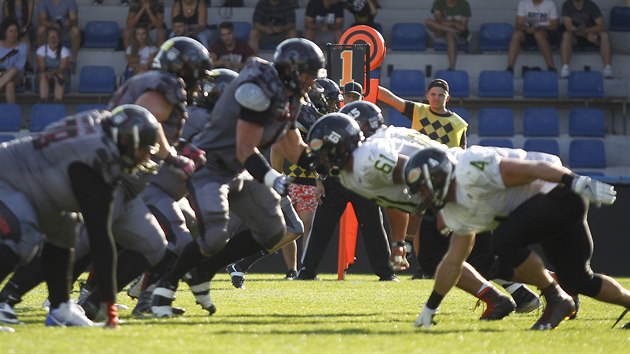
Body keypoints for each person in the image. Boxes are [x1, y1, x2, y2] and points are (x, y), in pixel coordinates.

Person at [150, 38, 326, 317]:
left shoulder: (288, 95)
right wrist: (273, 179)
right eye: (308, 74)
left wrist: (329, 163)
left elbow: (296, 148)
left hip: (239, 169)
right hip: (211, 164)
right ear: (293, 70)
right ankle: (163, 289)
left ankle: (203, 271)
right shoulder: (257, 89)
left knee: (273, 230)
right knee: (215, 235)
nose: (312, 82)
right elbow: (245, 148)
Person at [305, 107, 519, 320]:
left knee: (439, 257)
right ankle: (527, 291)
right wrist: (402, 242)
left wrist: (403, 240)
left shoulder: (371, 154)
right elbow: (401, 194)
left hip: (448, 184)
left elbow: (410, 183)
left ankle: (512, 296)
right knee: (481, 255)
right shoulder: (388, 137)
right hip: (449, 179)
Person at [405, 145, 630, 330]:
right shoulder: (454, 211)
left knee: (503, 241)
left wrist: (575, 181)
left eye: (423, 189)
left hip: (561, 192)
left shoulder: (470, 169)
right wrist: (430, 309)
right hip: (548, 207)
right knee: (578, 280)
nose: (423, 197)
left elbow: (534, 169)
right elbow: (453, 261)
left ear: (438, 176)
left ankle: (557, 298)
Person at [76, 37, 212, 321]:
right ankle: (114, 298)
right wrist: (173, 157)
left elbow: (152, 125)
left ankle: (95, 298)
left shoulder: (151, 80)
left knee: (140, 239)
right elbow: (147, 120)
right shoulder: (166, 87)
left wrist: (176, 152)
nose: (200, 83)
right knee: (169, 240)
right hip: (122, 173)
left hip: (115, 169)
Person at [377, 79, 540, 312]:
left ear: (447, 98)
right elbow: (391, 99)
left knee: (455, 255)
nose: (435, 98)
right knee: (475, 257)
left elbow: (462, 155)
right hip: (434, 187)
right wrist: (367, 85)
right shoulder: (419, 111)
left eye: (439, 94)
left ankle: (543, 287)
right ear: (427, 95)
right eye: (432, 94)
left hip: (446, 188)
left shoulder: (458, 124)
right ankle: (538, 288)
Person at [0, 104, 160, 328]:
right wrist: (110, 304)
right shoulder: (99, 158)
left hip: (38, 183)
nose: (145, 157)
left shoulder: (101, 128)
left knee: (67, 231)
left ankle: (60, 308)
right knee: (24, 235)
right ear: (125, 140)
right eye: (143, 149)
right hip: (9, 176)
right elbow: (100, 239)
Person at [296, 102, 398, 283]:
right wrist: (320, 179)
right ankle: (306, 271)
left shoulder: (371, 139)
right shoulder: (338, 129)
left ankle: (386, 272)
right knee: (321, 227)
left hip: (362, 181)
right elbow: (322, 155)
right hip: (337, 180)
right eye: (367, 125)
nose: (370, 129)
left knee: (373, 226)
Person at [559, 0, 613, 79]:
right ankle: (565, 68)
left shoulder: (591, 5)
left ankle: (607, 68)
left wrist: (590, 32)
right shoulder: (567, 5)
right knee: (566, 35)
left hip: (591, 33)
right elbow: (568, 27)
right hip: (576, 35)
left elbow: (600, 25)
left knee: (604, 35)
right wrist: (585, 34)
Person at [507, 0, 559, 74]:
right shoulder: (523, 3)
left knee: (539, 34)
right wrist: (526, 28)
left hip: (545, 31)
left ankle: (551, 67)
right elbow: (517, 25)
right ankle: (510, 68)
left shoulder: (550, 3)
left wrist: (539, 27)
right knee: (516, 34)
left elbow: (555, 26)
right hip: (528, 31)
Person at [425, 0, 471, 71]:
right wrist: (454, 24)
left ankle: (451, 68)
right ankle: (451, 30)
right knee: (428, 21)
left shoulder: (464, 4)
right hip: (444, 31)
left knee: (450, 34)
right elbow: (438, 20)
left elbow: (463, 27)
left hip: (457, 34)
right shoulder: (438, 2)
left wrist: (445, 24)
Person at [36, 0, 80, 72]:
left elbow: (74, 19)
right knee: (41, 30)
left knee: (76, 31)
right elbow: (42, 19)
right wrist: (52, 24)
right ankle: (42, 60)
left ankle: (73, 61)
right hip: (51, 30)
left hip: (65, 30)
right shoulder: (43, 1)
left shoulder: (70, 1)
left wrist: (69, 23)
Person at [36, 26, 70, 102]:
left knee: (60, 76)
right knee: (43, 74)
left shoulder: (64, 51)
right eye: (51, 37)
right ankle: (43, 99)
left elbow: (63, 68)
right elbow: (41, 67)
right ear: (47, 39)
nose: (53, 39)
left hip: (59, 74)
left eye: (55, 37)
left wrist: (55, 72)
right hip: (45, 74)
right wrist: (48, 72)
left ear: (59, 39)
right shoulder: (41, 50)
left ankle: (58, 100)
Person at [0, 19, 27, 103]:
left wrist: (5, 73)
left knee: (14, 70)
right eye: (11, 31)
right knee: (10, 84)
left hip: (17, 76)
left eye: (16, 31)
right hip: (1, 74)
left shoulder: (22, 47)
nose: (13, 34)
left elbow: (19, 67)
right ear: (5, 32)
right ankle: (12, 112)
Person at [2, 0, 34, 71]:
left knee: (26, 41)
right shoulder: (7, 3)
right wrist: (15, 30)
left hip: (24, 28)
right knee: (11, 34)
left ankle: (29, 66)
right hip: (11, 28)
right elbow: (8, 21)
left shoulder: (29, 2)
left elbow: (28, 22)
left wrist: (22, 30)